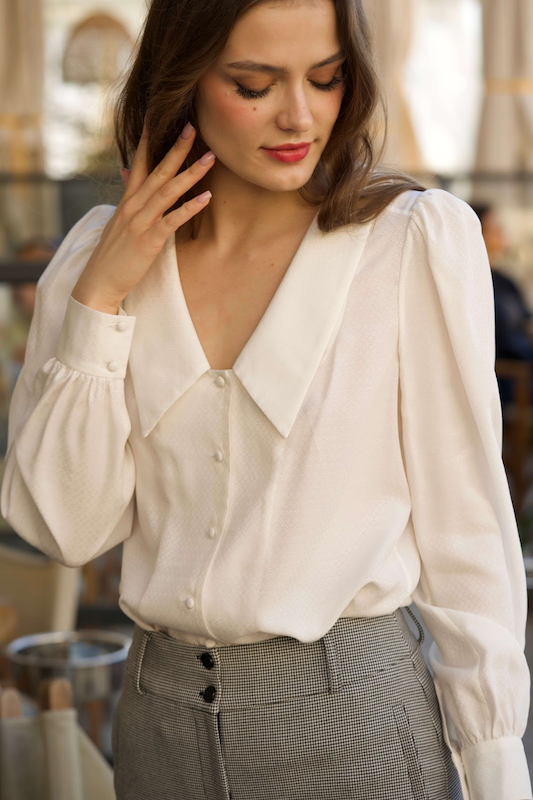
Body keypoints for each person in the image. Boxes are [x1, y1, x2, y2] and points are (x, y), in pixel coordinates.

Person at [0, 1, 531, 799]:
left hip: (352, 730)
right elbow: (68, 530)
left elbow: (467, 535)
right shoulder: (97, 260)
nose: (298, 114)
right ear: (183, 83)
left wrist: (494, 768)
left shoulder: (410, 241)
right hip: (155, 733)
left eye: (325, 79)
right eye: (253, 84)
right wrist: (102, 295)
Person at [470, 202, 533, 406]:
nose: (501, 232)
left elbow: (526, 322)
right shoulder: (469, 284)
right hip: (506, 377)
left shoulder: (506, 282)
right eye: (494, 227)